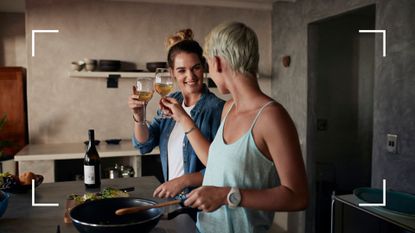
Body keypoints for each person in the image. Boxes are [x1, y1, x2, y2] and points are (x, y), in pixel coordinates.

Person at [161, 22, 309, 233]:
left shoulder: (272, 117)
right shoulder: (229, 108)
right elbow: (213, 162)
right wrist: (183, 119)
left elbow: (298, 197)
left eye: (206, 64)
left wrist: (226, 195)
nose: (208, 72)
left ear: (218, 63)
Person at [128, 29, 225, 199]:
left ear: (203, 67)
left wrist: (183, 181)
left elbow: (222, 167)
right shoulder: (172, 101)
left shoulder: (217, 109)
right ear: (172, 73)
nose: (190, 76)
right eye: (181, 70)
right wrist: (139, 116)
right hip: (173, 200)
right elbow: (144, 145)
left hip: (201, 204)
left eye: (195, 68)